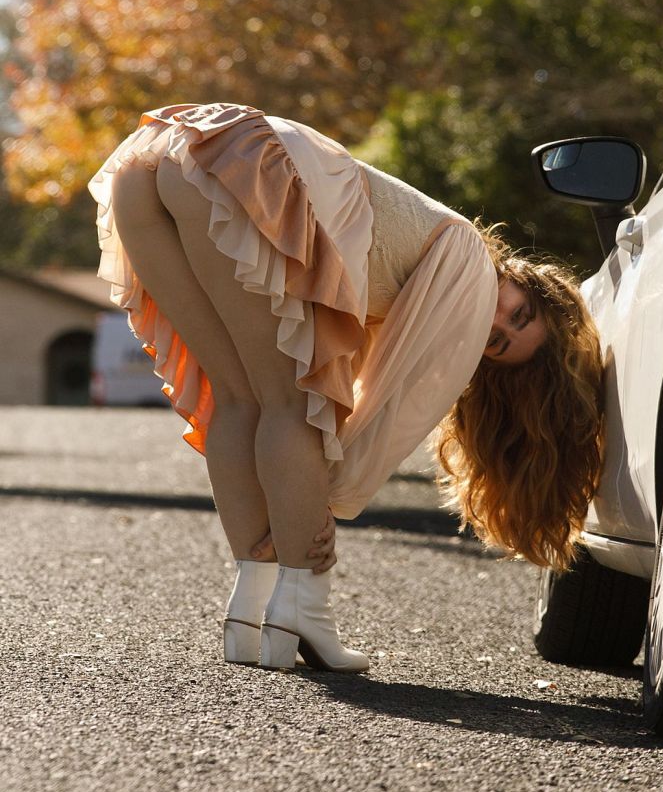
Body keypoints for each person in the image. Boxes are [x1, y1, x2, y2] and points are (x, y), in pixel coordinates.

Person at [88, 102, 604, 674]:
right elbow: (387, 415)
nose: (494, 323)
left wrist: (298, 511)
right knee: (292, 405)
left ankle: (250, 605)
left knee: (242, 399)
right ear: (523, 280)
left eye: (500, 344)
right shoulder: (471, 270)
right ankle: (304, 608)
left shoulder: (424, 278)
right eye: (521, 312)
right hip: (235, 164)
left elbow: (358, 399)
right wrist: (318, 511)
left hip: (157, 161)